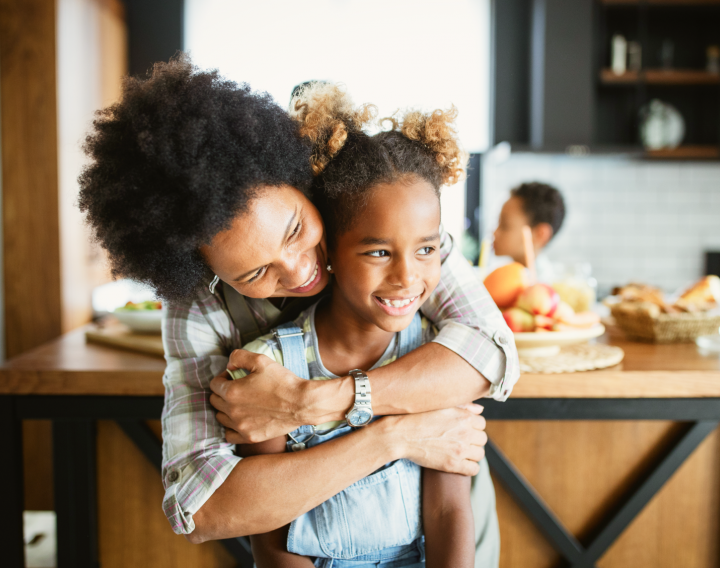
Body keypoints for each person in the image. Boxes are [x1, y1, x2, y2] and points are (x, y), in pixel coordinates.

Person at [78, 55, 518, 565]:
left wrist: (312, 404)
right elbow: (202, 505)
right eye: (253, 274)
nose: (298, 269)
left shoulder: (380, 225)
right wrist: (394, 437)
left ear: (298, 178)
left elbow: (492, 351)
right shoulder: (200, 308)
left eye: (294, 230)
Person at [234, 83, 474, 567]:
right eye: (379, 252)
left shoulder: (435, 360)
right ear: (330, 255)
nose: (408, 276)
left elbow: (449, 508)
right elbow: (272, 536)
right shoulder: (270, 368)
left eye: (426, 249)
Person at [492, 182, 566, 283]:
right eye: (498, 223)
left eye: (505, 225)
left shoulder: (543, 287)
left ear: (540, 234)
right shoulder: (501, 278)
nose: (494, 233)